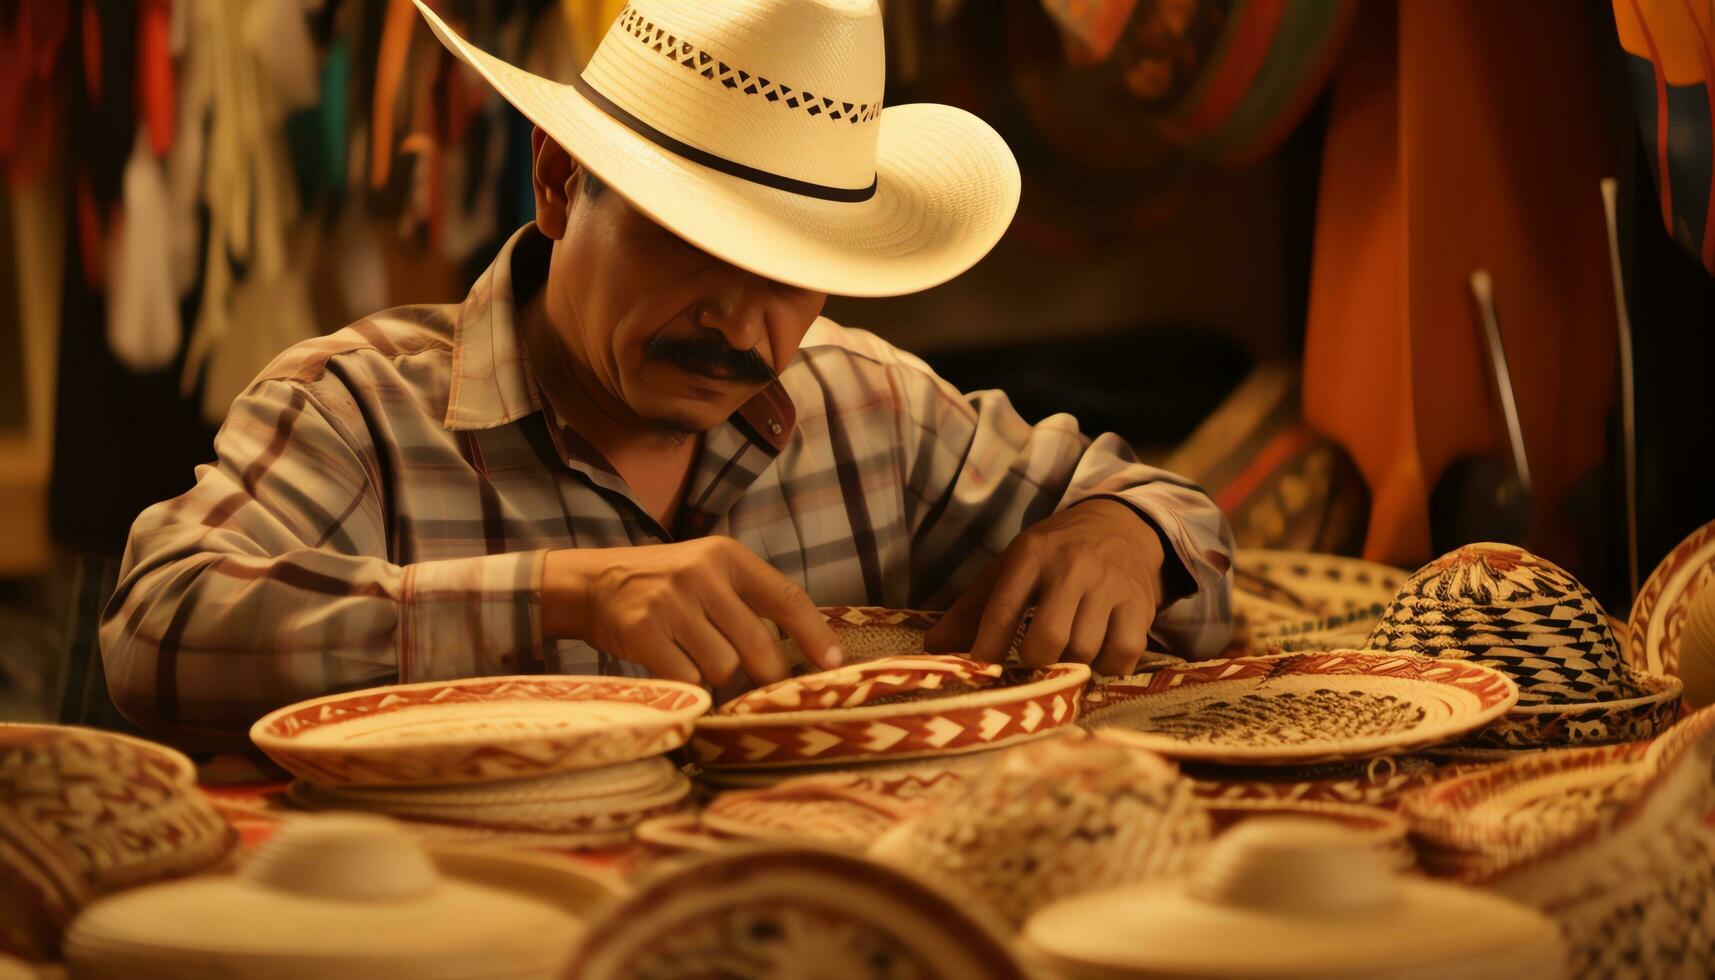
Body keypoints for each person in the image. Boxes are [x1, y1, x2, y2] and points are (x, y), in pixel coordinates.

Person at [99, 0, 1233, 751]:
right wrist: (558, 596)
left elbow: (1168, 516)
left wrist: (1120, 530)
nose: (743, 322)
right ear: (556, 185)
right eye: (690, 244)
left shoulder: (871, 408)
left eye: (794, 272)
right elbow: (154, 631)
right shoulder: (359, 409)